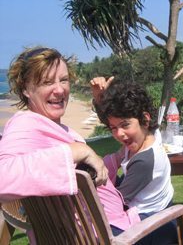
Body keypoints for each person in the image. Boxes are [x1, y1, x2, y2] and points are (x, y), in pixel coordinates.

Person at [0, 47, 140, 239]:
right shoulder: (25, 124)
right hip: (102, 236)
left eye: (64, 80)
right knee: (174, 222)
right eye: (47, 82)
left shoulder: (51, 126)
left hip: (103, 227)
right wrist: (75, 151)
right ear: (26, 89)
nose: (60, 90)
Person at [91, 77, 177, 244]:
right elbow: (110, 117)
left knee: (98, 231)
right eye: (113, 128)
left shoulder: (145, 161)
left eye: (125, 125)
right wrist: (99, 98)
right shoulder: (146, 136)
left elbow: (119, 200)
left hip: (155, 223)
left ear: (145, 120)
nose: (119, 134)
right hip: (151, 206)